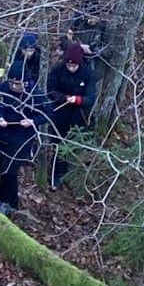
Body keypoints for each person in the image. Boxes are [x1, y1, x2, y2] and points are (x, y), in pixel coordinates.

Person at [0, 33, 50, 213]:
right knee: (4, 171)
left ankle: (8, 203)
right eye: (12, 84)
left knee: (10, 170)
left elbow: (47, 113)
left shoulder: (35, 93)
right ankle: (4, 200)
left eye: (18, 84)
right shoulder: (3, 90)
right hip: (2, 136)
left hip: (22, 138)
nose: (15, 87)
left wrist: (32, 121)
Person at [46, 42, 98, 190]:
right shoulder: (58, 70)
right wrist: (63, 98)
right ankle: (55, 173)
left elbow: (90, 97)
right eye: (69, 65)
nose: (71, 68)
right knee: (58, 141)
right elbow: (50, 89)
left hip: (78, 113)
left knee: (73, 143)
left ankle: (70, 174)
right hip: (60, 110)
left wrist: (78, 100)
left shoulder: (87, 73)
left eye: (74, 66)